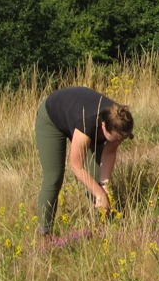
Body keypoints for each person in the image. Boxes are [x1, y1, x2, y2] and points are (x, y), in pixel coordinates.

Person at [35, 86, 134, 234]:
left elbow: (110, 151)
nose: (119, 142)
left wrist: (104, 185)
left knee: (96, 178)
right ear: (103, 126)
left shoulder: (119, 120)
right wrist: (100, 194)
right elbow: (76, 166)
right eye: (116, 138)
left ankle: (102, 229)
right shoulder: (87, 123)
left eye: (122, 139)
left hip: (79, 115)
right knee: (53, 178)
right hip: (53, 117)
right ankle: (45, 233)